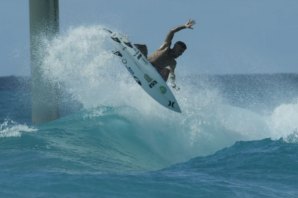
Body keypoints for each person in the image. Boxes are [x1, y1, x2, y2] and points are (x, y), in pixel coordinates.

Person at [137, 19, 195, 89]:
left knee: (167, 70)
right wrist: (184, 26)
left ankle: (159, 87)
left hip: (153, 75)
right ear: (175, 48)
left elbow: (172, 74)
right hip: (145, 63)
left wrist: (173, 83)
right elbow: (171, 31)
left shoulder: (173, 63)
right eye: (180, 51)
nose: (180, 54)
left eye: (182, 52)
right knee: (143, 47)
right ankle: (126, 45)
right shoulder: (165, 47)